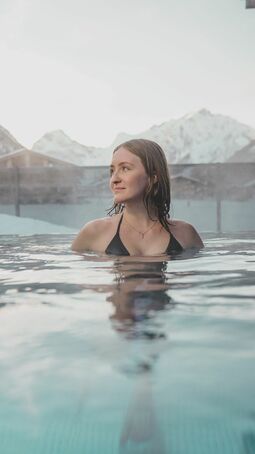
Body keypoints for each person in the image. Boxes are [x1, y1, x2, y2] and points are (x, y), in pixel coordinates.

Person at [71, 139, 204, 256]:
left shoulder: (185, 234)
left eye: (125, 168)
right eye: (112, 171)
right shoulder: (94, 232)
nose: (114, 179)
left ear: (153, 177)